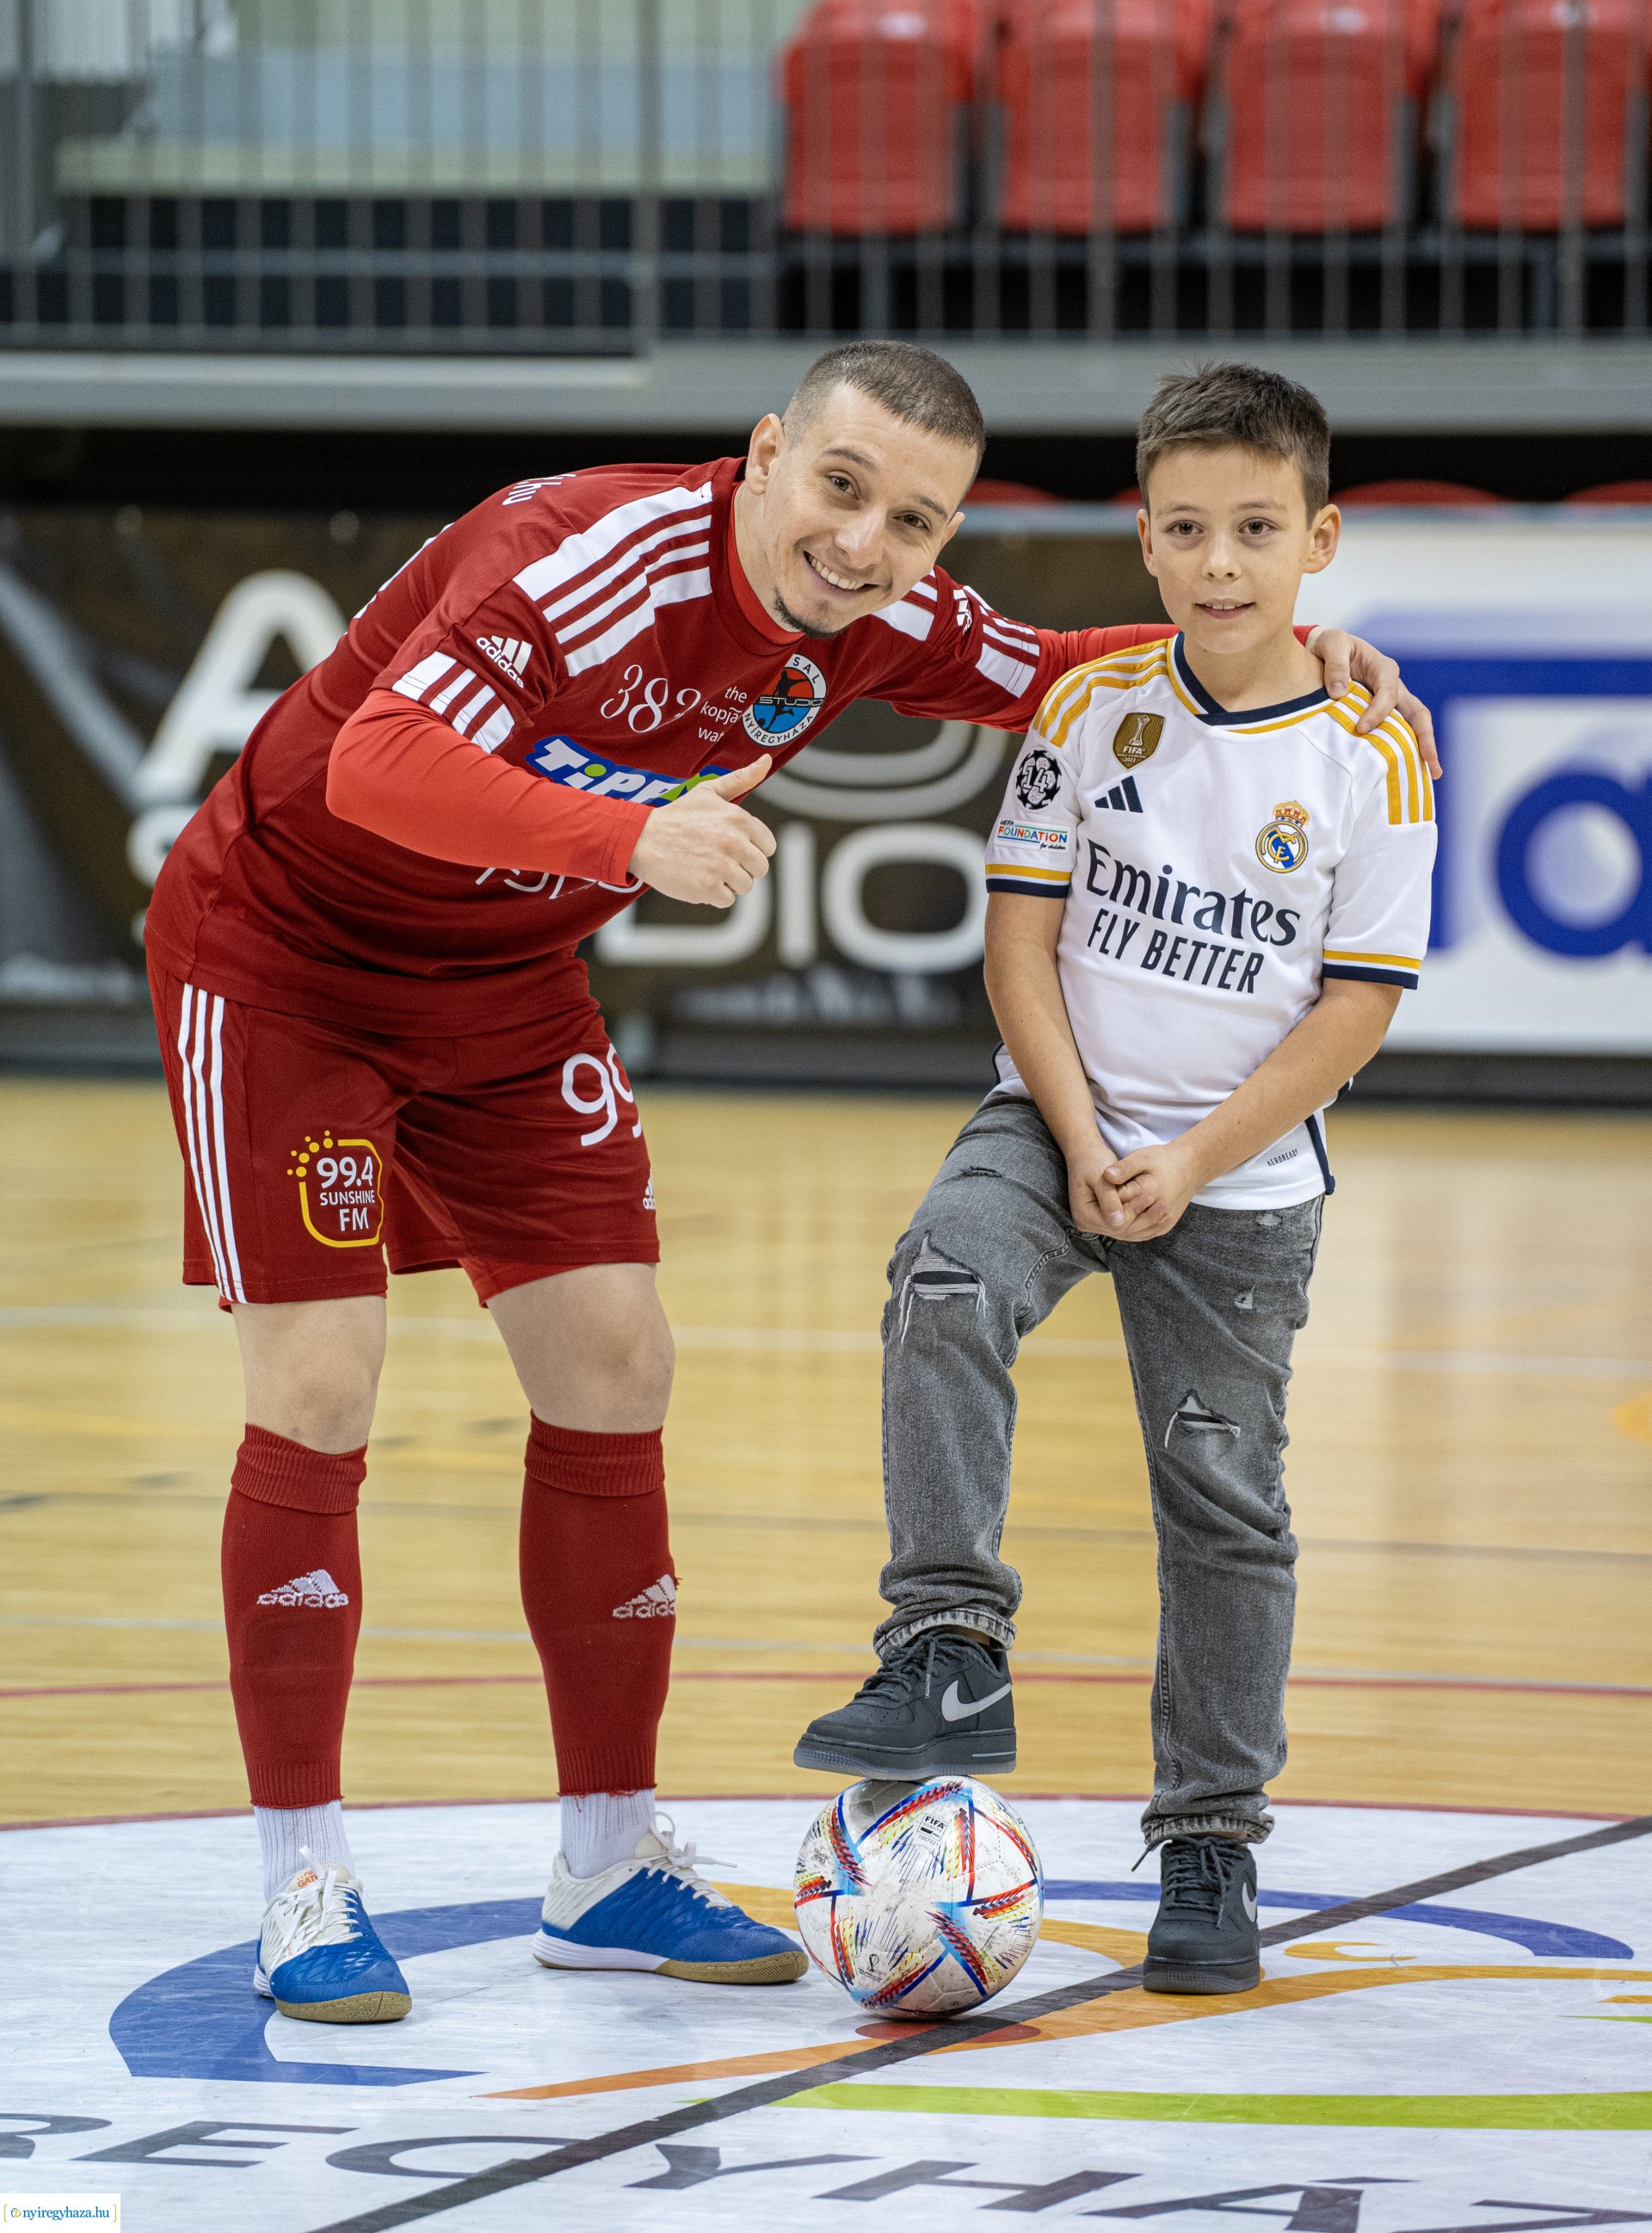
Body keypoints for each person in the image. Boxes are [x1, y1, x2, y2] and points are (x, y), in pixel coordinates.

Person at [144, 338, 1431, 2026]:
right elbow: (371, 763)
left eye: (918, 519)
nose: (868, 545)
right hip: (292, 960)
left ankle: (606, 1863)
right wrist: (631, 842)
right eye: (840, 489)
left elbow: (1056, 661)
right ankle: (302, 1874)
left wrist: (1298, 652)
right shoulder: (589, 558)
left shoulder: (884, 609)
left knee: (616, 1367)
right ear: (763, 455)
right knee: (318, 1386)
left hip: (509, 994)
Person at [794, 362, 1438, 1996]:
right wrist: (1082, 1140)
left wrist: (1189, 1159)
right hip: (1058, 1118)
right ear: (1142, 546)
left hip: (1238, 1182)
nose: (1222, 563)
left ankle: (1210, 1848)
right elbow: (1020, 942)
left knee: (1224, 1505)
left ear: (1322, 539)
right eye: (1185, 530)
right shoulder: (1089, 713)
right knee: (946, 1274)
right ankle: (948, 1646)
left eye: (1256, 529)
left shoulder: (1375, 752)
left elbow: (1356, 1009)